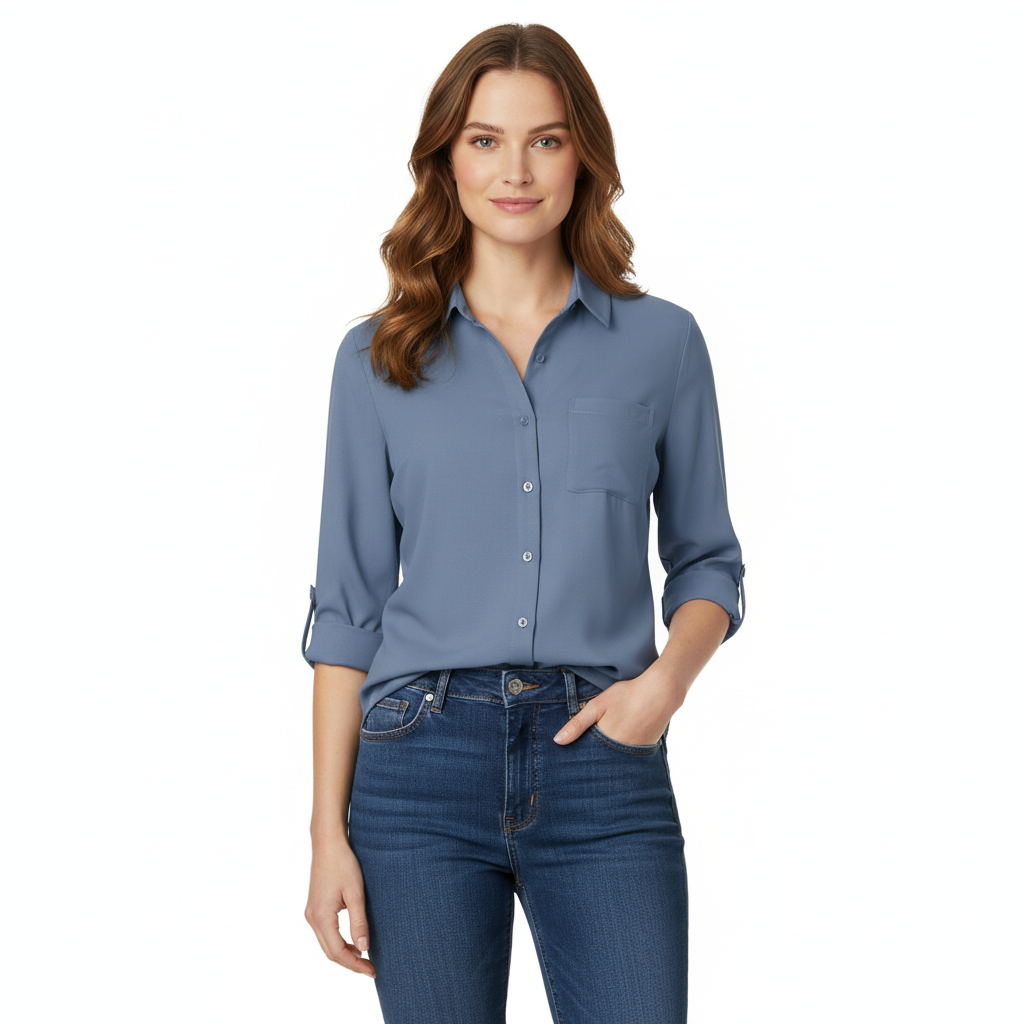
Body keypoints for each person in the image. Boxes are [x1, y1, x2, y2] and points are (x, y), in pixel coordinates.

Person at [301, 22, 746, 1024]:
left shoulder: (663, 343)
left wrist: (662, 689)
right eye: (485, 140)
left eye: (545, 139)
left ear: (582, 155)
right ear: (446, 159)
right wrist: (327, 834)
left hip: (604, 759)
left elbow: (708, 562)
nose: (515, 170)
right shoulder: (376, 360)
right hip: (418, 764)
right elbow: (347, 612)